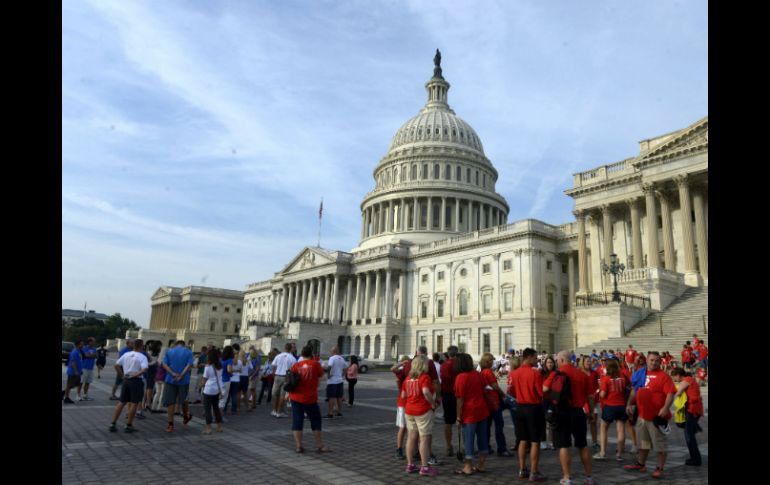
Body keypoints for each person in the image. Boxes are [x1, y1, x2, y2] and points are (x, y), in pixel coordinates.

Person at [545, 350, 597, 485]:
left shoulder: (556, 374)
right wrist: (591, 412)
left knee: (564, 446)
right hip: (579, 412)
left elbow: (544, 389)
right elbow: (590, 396)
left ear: (562, 360)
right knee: (582, 445)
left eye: (557, 360)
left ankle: (567, 477)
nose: (556, 362)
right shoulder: (582, 374)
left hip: (562, 412)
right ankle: (589, 477)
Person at [623, 351, 677, 479]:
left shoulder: (664, 376)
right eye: (651, 360)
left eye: (656, 360)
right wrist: (629, 404)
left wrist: (665, 408)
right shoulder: (640, 374)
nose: (654, 363)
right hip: (642, 415)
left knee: (659, 445)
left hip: (656, 416)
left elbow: (670, 394)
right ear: (647, 360)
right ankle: (641, 464)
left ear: (660, 362)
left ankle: (659, 468)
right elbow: (634, 391)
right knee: (643, 443)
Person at [508, 348, 547, 481]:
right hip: (533, 408)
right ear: (529, 357)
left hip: (520, 407)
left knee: (522, 439)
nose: (536, 360)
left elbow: (511, 391)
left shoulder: (514, 373)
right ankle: (534, 472)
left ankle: (522, 469)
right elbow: (540, 393)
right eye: (535, 358)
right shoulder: (535, 373)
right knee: (535, 441)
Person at [402, 355, 439, 476]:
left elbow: (403, 395)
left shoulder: (407, 378)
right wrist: (433, 403)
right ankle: (424, 467)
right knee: (424, 438)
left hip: (409, 411)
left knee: (411, 437)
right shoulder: (424, 377)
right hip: (423, 411)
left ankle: (410, 464)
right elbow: (426, 392)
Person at [288, 345, 329, 453]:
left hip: (296, 397)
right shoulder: (315, 364)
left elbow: (290, 380)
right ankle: (320, 445)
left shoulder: (296, 365)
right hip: (310, 397)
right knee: (315, 420)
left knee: (297, 420)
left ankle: (298, 446)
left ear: (301, 354)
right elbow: (322, 377)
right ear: (311, 354)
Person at [453, 353, 488, 476]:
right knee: (483, 438)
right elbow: (484, 389)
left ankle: (467, 467)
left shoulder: (460, 377)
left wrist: (458, 416)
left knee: (468, 440)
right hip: (482, 410)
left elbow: (460, 399)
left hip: (469, 413)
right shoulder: (478, 374)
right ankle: (481, 465)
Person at [108, 339, 148, 433]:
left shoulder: (126, 354)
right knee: (134, 403)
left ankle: (113, 423)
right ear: (142, 346)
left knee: (122, 402)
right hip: (136, 381)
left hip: (126, 380)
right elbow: (145, 369)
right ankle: (128, 425)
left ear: (134, 345)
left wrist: (122, 375)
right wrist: (136, 374)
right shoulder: (142, 356)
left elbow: (116, 365)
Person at [594, 358, 627, 461]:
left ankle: (603, 452)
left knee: (603, 428)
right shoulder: (622, 378)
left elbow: (603, 394)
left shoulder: (606, 378)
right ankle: (619, 454)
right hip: (621, 405)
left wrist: (599, 392)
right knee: (621, 429)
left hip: (609, 406)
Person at [671, 367, 704, 466]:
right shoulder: (691, 379)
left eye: (674, 377)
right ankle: (695, 427)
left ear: (678, 375)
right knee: (689, 432)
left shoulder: (687, 380)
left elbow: (679, 392)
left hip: (692, 410)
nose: (674, 379)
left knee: (689, 436)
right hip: (694, 409)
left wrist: (669, 399)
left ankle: (696, 459)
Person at [479, 352, 509, 457]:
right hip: (494, 402)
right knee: (499, 426)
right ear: (488, 361)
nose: (493, 362)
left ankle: (486, 447)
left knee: (487, 426)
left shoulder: (482, 371)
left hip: (487, 402)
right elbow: (495, 386)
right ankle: (502, 448)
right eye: (492, 360)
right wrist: (503, 394)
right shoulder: (488, 372)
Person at [161, 340, 194, 433]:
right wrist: (181, 375)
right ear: (184, 345)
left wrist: (172, 373)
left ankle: (170, 424)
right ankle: (185, 416)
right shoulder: (189, 352)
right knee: (184, 400)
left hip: (170, 379)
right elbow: (189, 365)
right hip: (184, 380)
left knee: (171, 402)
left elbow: (164, 364)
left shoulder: (169, 351)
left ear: (176, 345)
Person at [439, 346, 458, 457]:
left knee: (448, 422)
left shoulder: (443, 365)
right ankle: (464, 445)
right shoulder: (459, 364)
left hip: (447, 395)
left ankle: (449, 446)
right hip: (458, 395)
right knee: (462, 420)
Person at [200, 347, 224, 434]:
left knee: (207, 409)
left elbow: (204, 379)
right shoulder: (220, 366)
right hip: (217, 389)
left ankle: (209, 428)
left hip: (208, 390)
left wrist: (200, 385)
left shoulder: (208, 367)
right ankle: (219, 427)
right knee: (216, 408)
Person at [391, 355, 411, 459]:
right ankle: (400, 449)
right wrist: (402, 363)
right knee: (404, 427)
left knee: (407, 428)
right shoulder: (402, 372)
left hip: (407, 402)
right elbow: (393, 369)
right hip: (404, 402)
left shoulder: (407, 373)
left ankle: (404, 449)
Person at [271, 343, 298, 418]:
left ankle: (275, 410)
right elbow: (294, 369)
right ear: (290, 349)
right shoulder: (292, 358)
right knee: (282, 395)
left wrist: (274, 375)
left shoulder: (278, 356)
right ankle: (279, 412)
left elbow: (273, 366)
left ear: (284, 348)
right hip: (286, 377)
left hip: (277, 376)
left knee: (275, 394)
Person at [324, 346, 347, 418]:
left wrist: (328, 375)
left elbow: (329, 367)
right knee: (339, 397)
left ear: (334, 351)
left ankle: (330, 413)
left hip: (332, 381)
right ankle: (339, 412)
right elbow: (345, 368)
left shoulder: (332, 358)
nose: (330, 352)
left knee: (331, 397)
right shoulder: (342, 358)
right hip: (340, 380)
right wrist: (342, 375)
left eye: (331, 351)